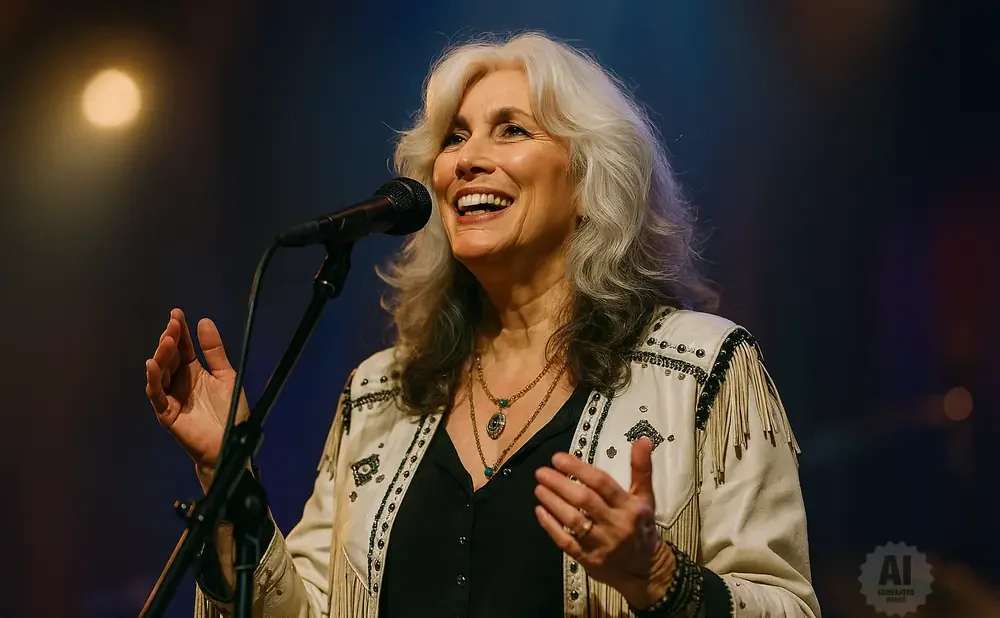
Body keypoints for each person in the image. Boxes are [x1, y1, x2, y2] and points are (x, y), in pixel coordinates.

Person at [145, 31, 821, 617]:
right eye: (454, 137)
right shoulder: (382, 395)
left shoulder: (700, 368)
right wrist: (227, 475)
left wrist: (658, 578)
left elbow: (785, 604)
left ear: (589, 179)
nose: (466, 158)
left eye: (512, 129)